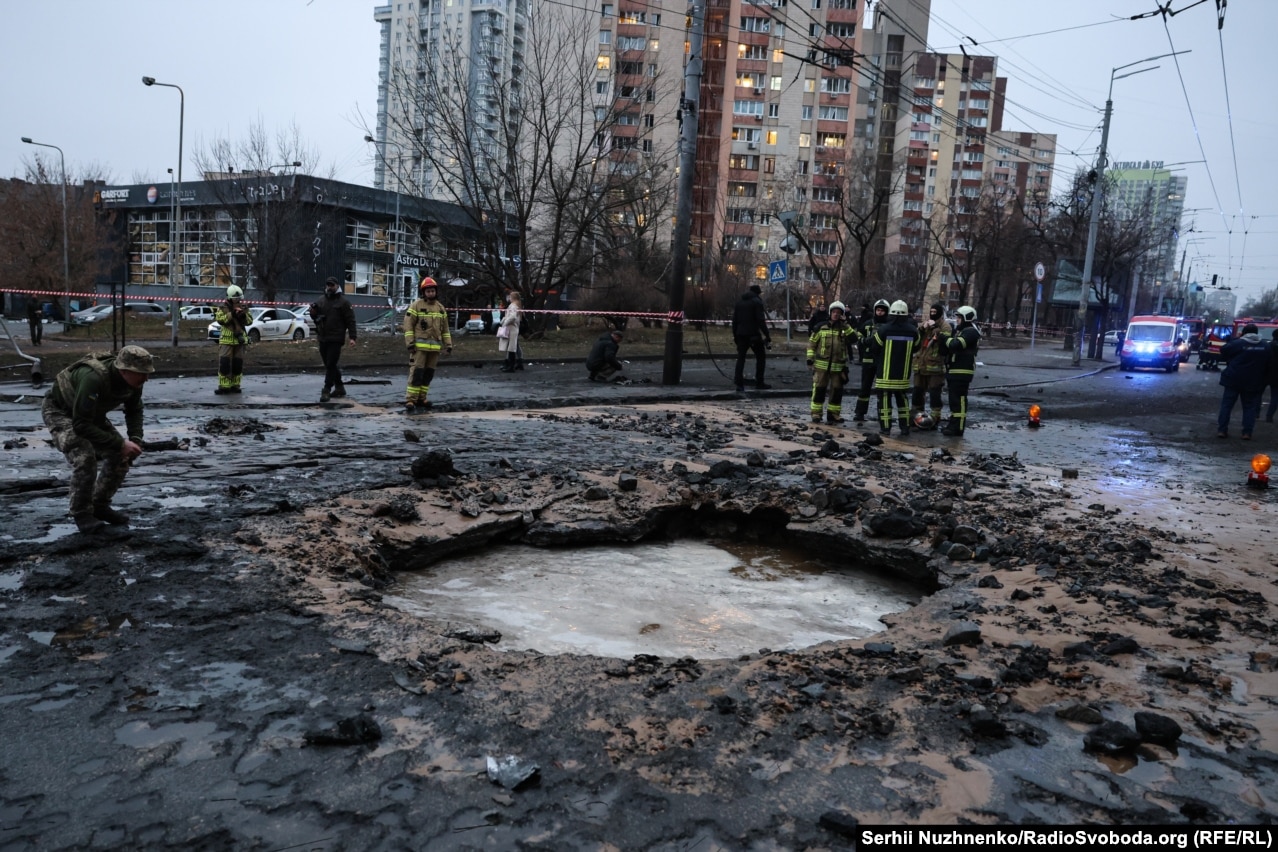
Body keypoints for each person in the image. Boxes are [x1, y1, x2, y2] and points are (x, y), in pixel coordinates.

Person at [41, 345, 154, 533]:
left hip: (89, 414)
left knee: (121, 455)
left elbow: (134, 410)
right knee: (85, 457)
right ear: (124, 371)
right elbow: (81, 425)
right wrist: (119, 442)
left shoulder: (135, 383)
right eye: (142, 373)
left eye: (148, 373)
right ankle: (81, 513)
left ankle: (99, 505)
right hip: (60, 411)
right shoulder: (93, 378)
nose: (146, 378)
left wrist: (135, 438)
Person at [403, 276, 453, 414]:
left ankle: (422, 398)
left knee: (428, 374)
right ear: (423, 292)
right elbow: (408, 326)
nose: (430, 293)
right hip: (419, 348)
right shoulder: (416, 306)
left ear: (436, 291)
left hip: (434, 349)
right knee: (417, 373)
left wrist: (448, 345)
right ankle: (411, 399)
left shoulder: (441, 308)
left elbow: (446, 330)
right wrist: (410, 344)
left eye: (432, 291)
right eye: (428, 291)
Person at [869, 300, 919, 435]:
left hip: (885, 373)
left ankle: (885, 428)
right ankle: (904, 428)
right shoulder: (913, 331)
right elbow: (917, 347)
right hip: (903, 375)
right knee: (902, 400)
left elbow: (874, 347)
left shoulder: (883, 329)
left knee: (884, 401)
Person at [805, 301, 857, 423]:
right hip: (821, 366)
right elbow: (812, 344)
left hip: (838, 367)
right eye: (834, 312)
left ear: (842, 314)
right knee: (819, 390)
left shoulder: (844, 329)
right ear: (830, 313)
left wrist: (846, 325)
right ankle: (816, 414)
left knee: (837, 391)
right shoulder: (821, 327)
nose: (836, 315)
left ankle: (833, 414)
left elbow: (854, 339)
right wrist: (809, 360)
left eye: (838, 313)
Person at [309, 276, 358, 402]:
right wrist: (313, 312)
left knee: (331, 364)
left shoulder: (343, 302)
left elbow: (350, 321)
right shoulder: (321, 300)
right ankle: (340, 387)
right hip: (323, 337)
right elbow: (315, 317)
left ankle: (326, 389)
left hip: (336, 338)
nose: (329, 287)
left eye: (332, 285)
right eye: (328, 285)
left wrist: (352, 337)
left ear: (337, 286)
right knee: (329, 364)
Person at [1216, 323, 1269, 439]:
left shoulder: (1238, 343)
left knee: (1227, 405)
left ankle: (1222, 430)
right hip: (1253, 381)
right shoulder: (1265, 346)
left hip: (1233, 379)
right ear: (1256, 333)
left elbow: (1224, 350)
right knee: (1249, 408)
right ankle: (1247, 432)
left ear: (1244, 332)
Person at [939, 305, 981, 437]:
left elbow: (956, 344)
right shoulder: (961, 331)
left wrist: (944, 339)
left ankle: (958, 427)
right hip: (954, 370)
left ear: (966, 318)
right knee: (953, 400)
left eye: (959, 317)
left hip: (963, 371)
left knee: (959, 400)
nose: (957, 320)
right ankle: (953, 424)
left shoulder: (971, 332)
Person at [910, 303, 951, 429]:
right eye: (931, 311)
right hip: (921, 365)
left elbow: (945, 342)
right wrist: (923, 327)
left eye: (935, 311)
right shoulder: (926, 323)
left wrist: (935, 329)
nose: (932, 313)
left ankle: (935, 418)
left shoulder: (945, 326)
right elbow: (917, 336)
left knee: (934, 393)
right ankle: (916, 415)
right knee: (917, 391)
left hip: (935, 367)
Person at [852, 300, 889, 422]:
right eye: (878, 310)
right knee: (865, 387)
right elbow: (859, 335)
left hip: (883, 360)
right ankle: (860, 413)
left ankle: (882, 414)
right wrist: (863, 342)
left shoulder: (889, 326)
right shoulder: (868, 324)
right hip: (868, 359)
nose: (880, 312)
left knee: (882, 389)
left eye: (882, 310)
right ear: (874, 311)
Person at [731, 284, 772, 391]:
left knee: (741, 358)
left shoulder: (739, 303)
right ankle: (760, 382)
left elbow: (734, 321)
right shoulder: (757, 302)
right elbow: (760, 320)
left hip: (741, 334)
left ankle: (739, 383)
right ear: (758, 293)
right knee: (761, 357)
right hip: (753, 335)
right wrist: (767, 335)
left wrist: (735, 335)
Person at [214, 285, 251, 394]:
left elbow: (249, 321)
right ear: (230, 298)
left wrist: (243, 315)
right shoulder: (223, 308)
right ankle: (224, 387)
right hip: (226, 340)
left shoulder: (243, 307)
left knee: (237, 365)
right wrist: (232, 314)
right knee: (225, 364)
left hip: (239, 341)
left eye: (239, 298)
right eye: (236, 298)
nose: (238, 300)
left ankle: (235, 386)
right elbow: (221, 320)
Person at [498, 291, 523, 372]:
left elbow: (512, 317)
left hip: (511, 328)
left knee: (511, 347)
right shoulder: (517, 305)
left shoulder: (513, 306)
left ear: (513, 298)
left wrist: (504, 323)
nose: (509, 298)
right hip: (513, 328)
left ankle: (510, 366)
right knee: (512, 346)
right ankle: (513, 364)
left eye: (510, 296)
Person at [1267, 334, 1278, 423]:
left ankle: (1256, 412)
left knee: (1257, 393)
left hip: (1268, 373)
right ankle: (1269, 415)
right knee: (1275, 397)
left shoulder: (1269, 345)